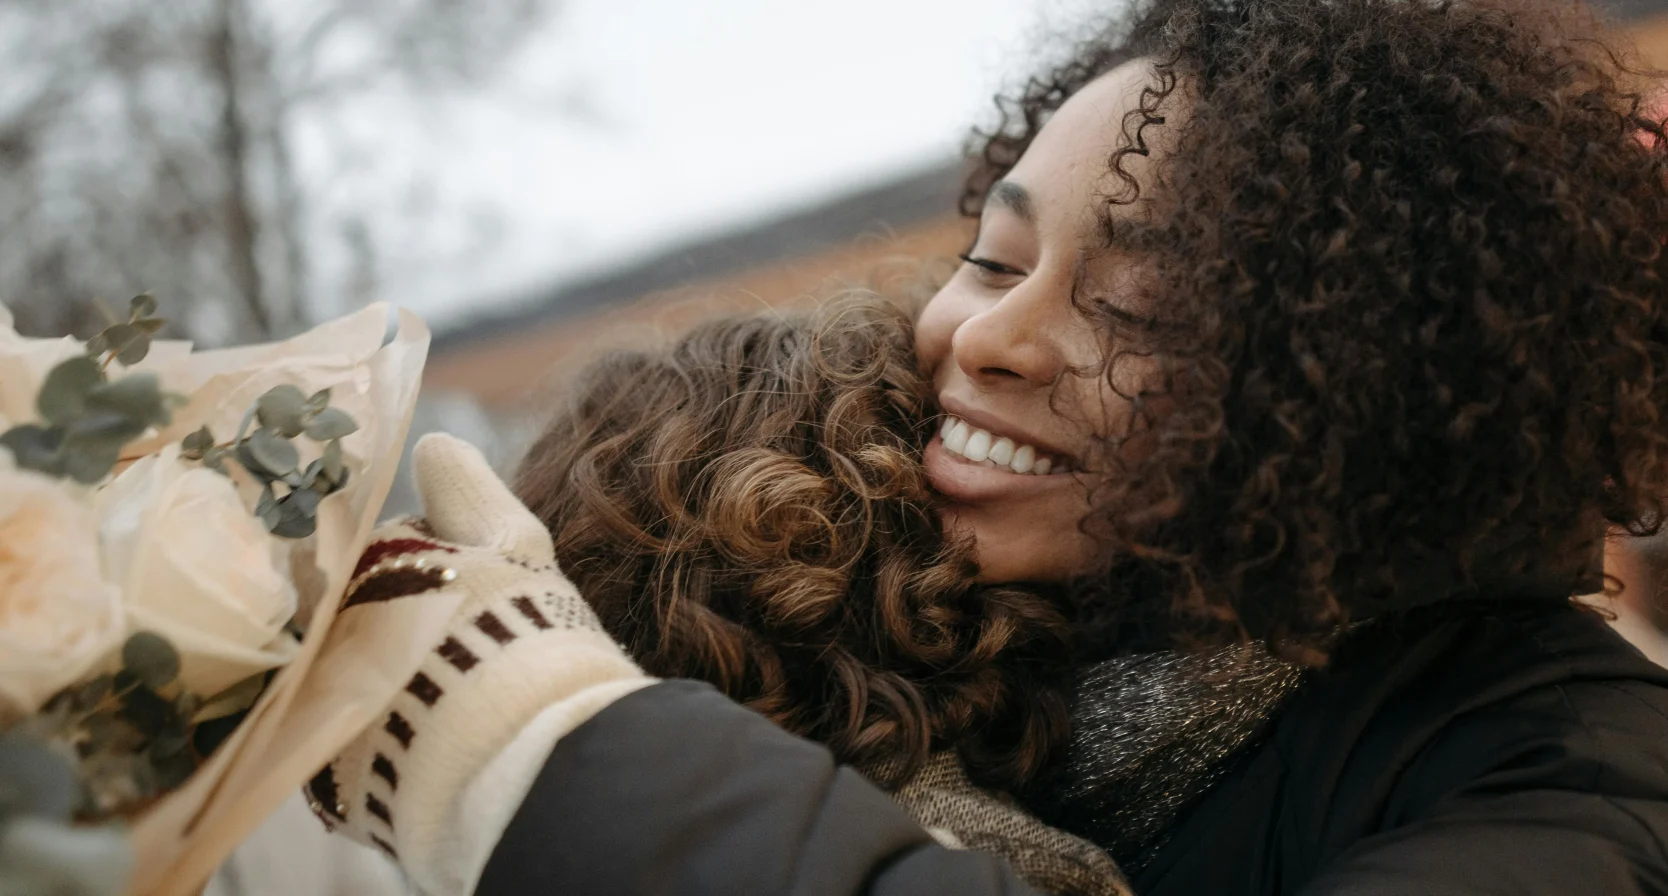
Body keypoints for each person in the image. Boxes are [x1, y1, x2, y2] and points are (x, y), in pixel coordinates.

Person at [309, 0, 1668, 893]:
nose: (989, 336)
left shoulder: (1586, 777)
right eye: (991, 255)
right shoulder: (955, 640)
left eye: (1135, 305)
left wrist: (544, 742)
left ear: (1369, 378)